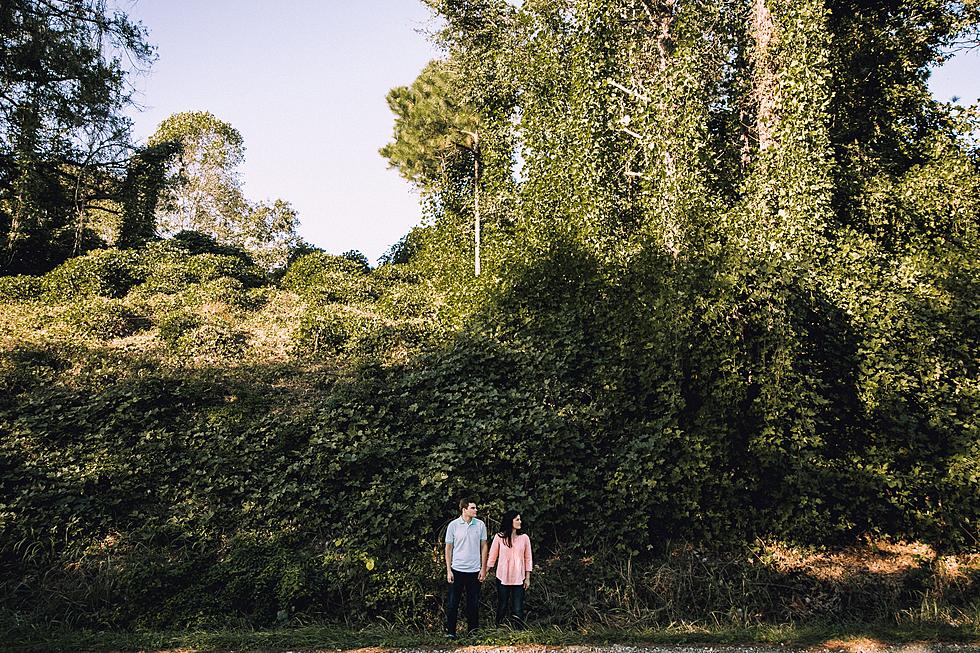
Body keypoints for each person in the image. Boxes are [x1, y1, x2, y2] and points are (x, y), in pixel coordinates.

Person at [444, 498, 488, 639]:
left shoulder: (480, 525)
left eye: (476, 508)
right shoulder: (453, 525)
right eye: (473, 508)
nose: (476, 510)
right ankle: (451, 632)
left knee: (473, 604)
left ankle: (473, 633)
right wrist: (448, 570)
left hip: (474, 570)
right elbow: (448, 548)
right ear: (464, 509)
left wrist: (483, 568)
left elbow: (484, 546)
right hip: (457, 569)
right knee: (452, 603)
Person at [487, 510, 532, 627]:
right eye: (517, 519)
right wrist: (484, 572)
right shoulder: (499, 537)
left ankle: (518, 632)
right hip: (502, 577)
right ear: (510, 521)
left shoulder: (524, 538)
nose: (520, 521)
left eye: (520, 519)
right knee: (502, 605)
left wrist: (527, 578)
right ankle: (498, 629)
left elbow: (528, 558)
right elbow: (492, 557)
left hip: (519, 578)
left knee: (518, 607)